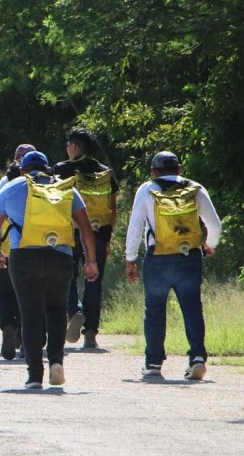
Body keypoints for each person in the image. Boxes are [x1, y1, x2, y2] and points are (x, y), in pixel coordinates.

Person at [0, 151, 98, 389]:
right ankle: (56, 362)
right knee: (56, 311)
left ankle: (35, 375)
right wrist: (91, 260)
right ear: (48, 169)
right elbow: (85, 227)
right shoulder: (66, 188)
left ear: (23, 170)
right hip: (61, 256)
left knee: (30, 314)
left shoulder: (12, 186)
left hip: (24, 257)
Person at [124, 151, 222, 381]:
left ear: (154, 172)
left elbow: (136, 226)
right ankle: (197, 359)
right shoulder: (195, 189)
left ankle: (153, 363)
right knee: (192, 309)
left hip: (157, 257)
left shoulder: (147, 189)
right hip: (190, 257)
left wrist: (130, 259)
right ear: (179, 170)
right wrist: (210, 244)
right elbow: (214, 224)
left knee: (155, 310)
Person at [52, 129, 120, 349]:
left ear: (73, 145)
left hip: (69, 232)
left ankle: (75, 312)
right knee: (94, 281)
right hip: (98, 232)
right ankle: (90, 333)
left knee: (66, 277)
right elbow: (112, 208)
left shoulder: (62, 170)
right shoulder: (104, 173)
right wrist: (108, 238)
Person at [0, 143, 34, 360]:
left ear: (15, 159)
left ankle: (8, 325)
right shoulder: (47, 183)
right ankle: (26, 340)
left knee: (6, 293)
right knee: (31, 297)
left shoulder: (6, 182)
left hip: (7, 247)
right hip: (39, 247)